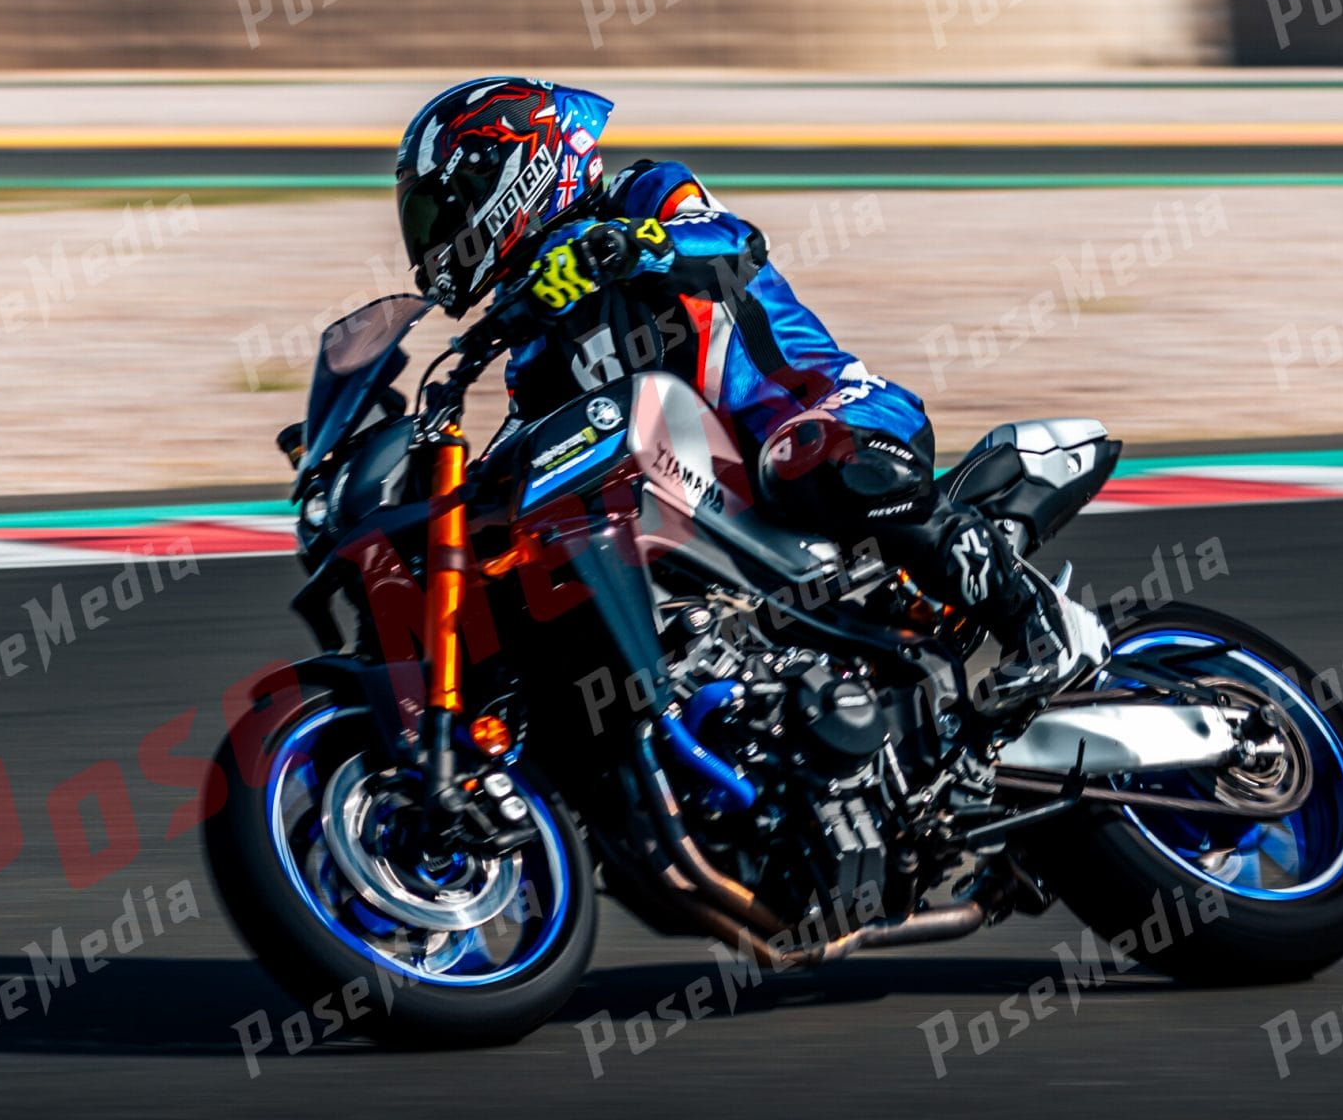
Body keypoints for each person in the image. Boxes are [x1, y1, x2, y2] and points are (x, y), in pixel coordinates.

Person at [393, 75, 1081, 707]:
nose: (436, 242)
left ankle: (1042, 623)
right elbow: (530, 441)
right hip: (715, 504)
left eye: (444, 213)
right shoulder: (537, 330)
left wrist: (627, 248)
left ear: (516, 170)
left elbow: (733, 244)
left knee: (800, 455)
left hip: (828, 416)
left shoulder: (644, 195)